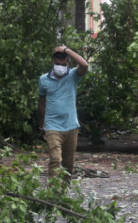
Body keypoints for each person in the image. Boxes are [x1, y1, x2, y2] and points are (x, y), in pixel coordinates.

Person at [38, 45, 88, 183]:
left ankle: (62, 195)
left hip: (71, 126)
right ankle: (53, 193)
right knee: (55, 159)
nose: (60, 66)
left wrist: (66, 50)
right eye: (57, 64)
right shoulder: (44, 80)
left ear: (68, 63)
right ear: (53, 62)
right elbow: (41, 103)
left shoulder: (72, 76)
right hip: (52, 126)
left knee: (68, 165)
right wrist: (41, 126)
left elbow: (84, 65)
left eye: (63, 64)